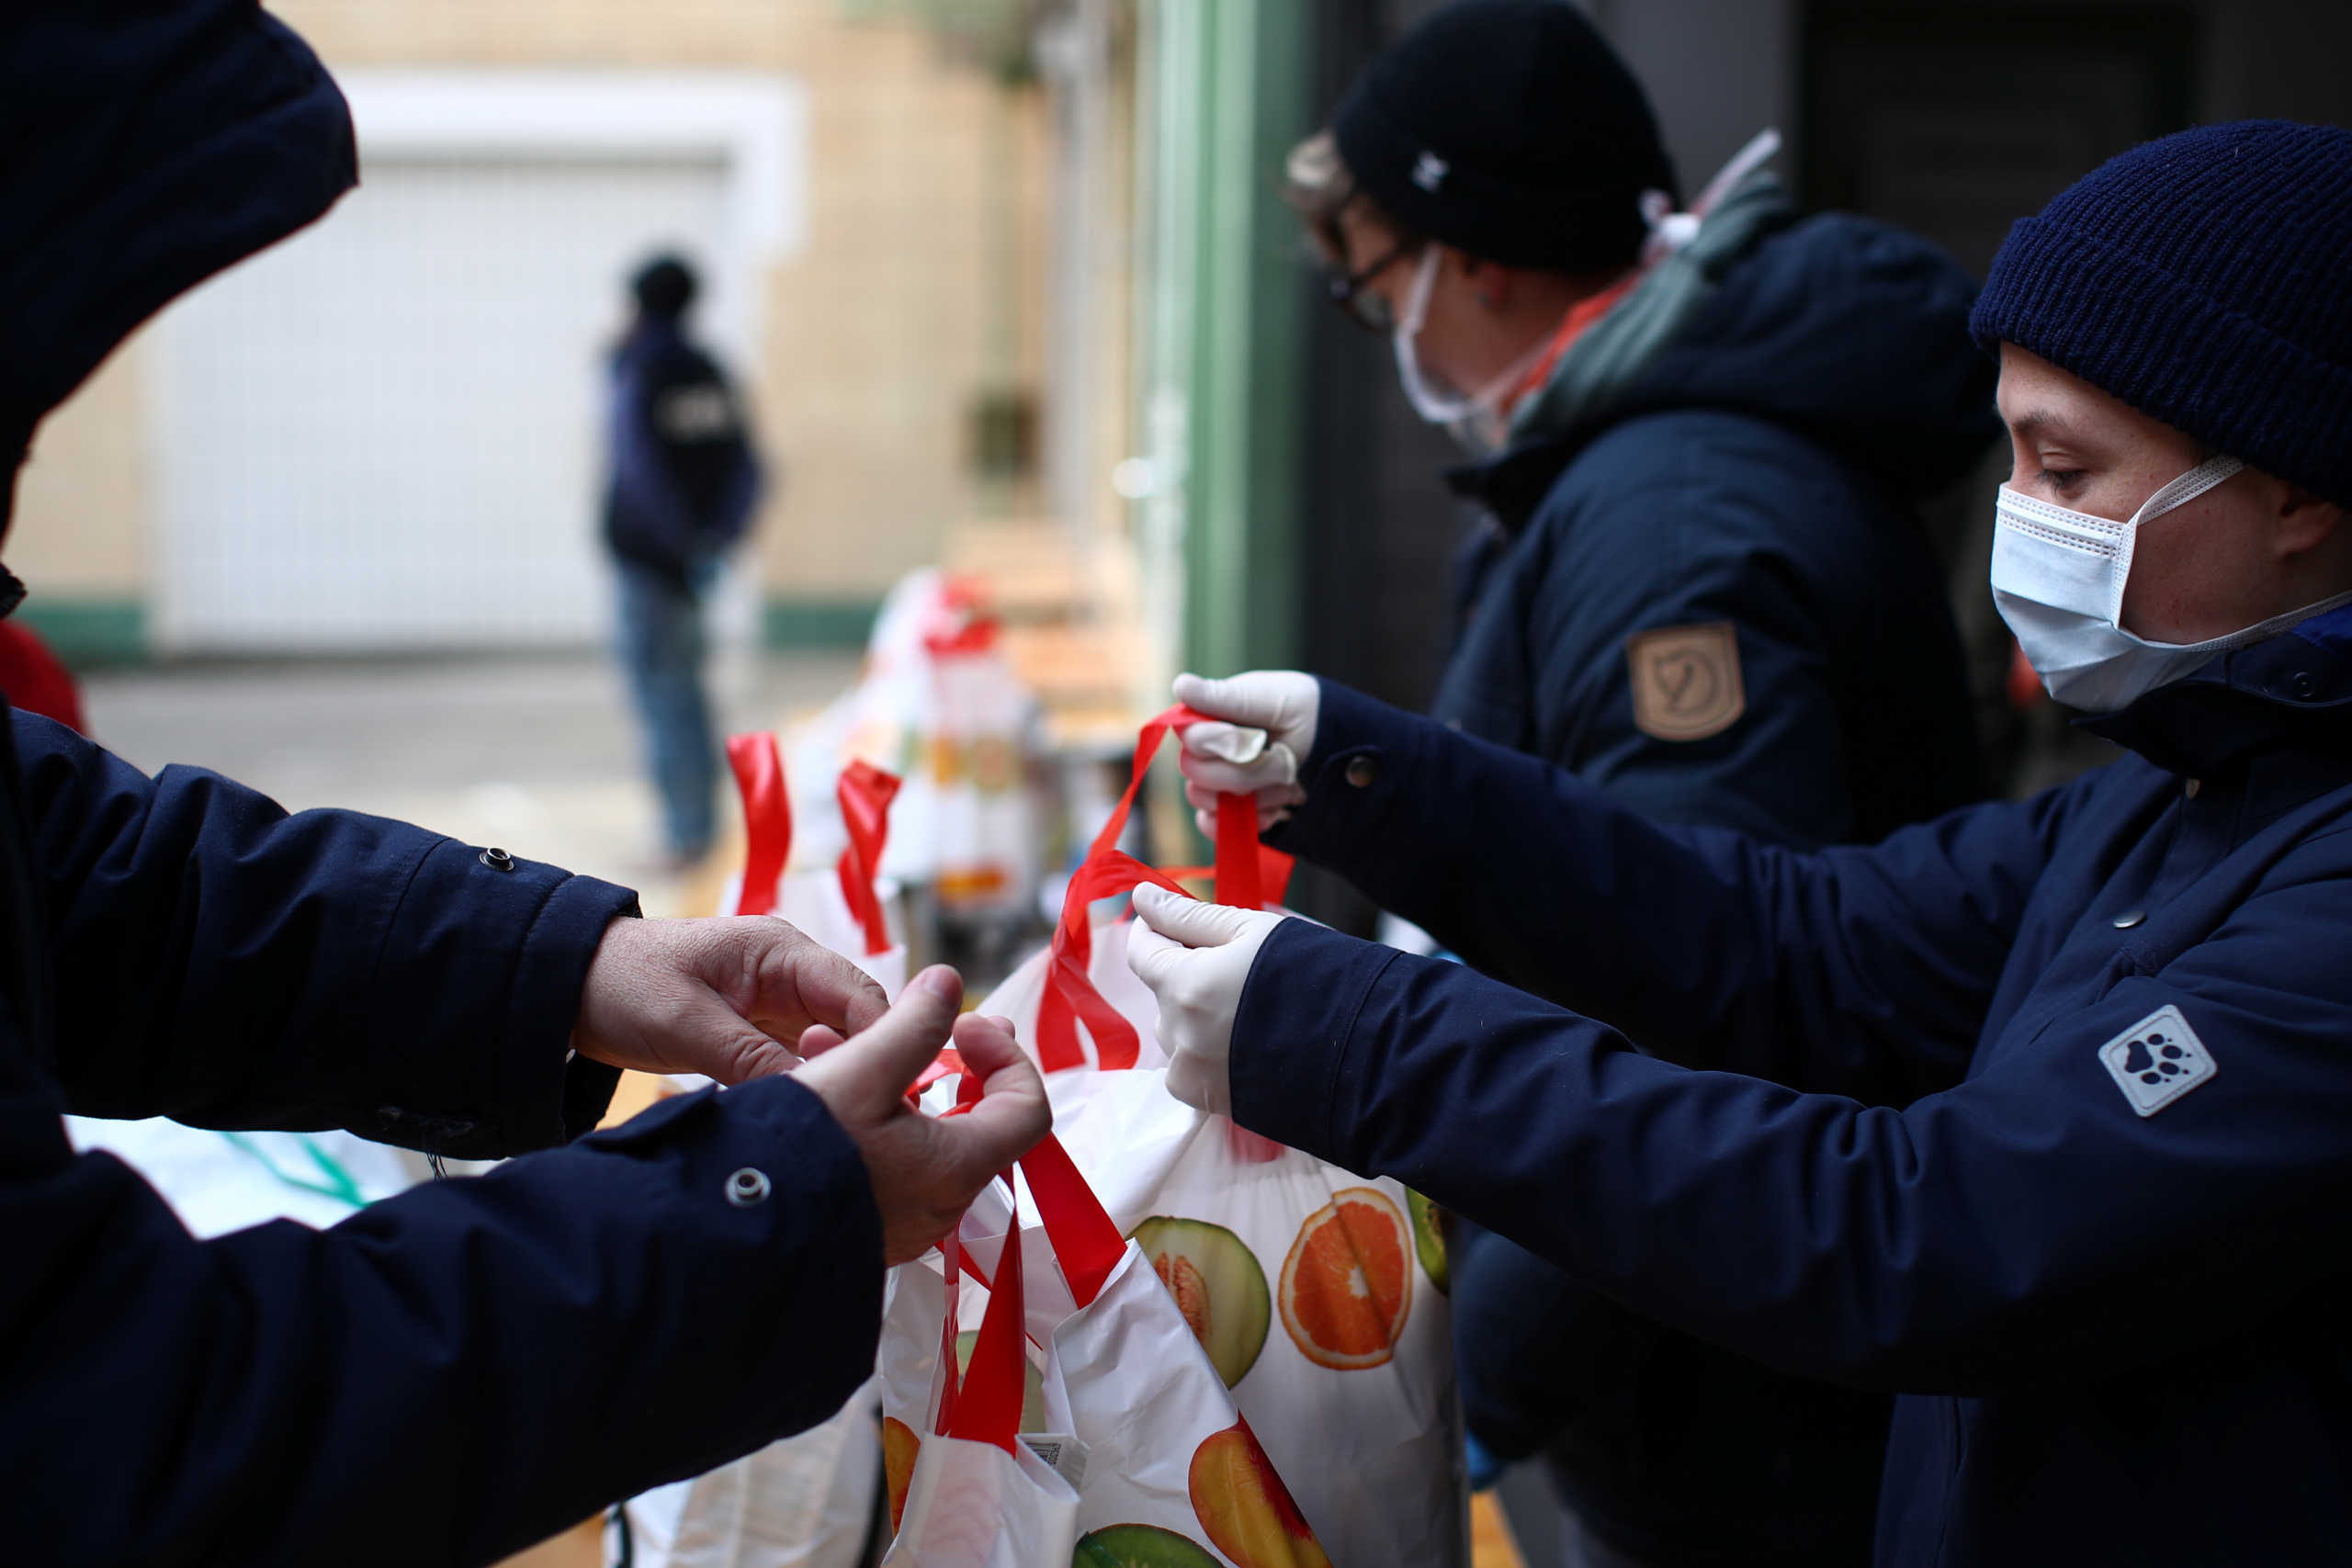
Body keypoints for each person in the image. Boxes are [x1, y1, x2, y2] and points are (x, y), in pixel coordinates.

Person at [1130, 119, 2352, 1567]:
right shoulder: (2190, 778)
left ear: (2295, 492)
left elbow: (1938, 1229)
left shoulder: (2313, 885)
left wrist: (1369, 1044)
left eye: (2070, 471)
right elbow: (1796, 940)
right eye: (2012, 455)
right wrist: (1364, 773)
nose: (2020, 517)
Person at [0, 7, 1047, 1564]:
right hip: (670, 579)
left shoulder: (647, 370)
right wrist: (766, 1213)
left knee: (673, 706)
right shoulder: (677, 370)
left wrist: (564, 959)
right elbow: (118, 1436)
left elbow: (83, 870)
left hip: (657, 580)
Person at [1285, 2, 1995, 1559]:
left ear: (1476, 256)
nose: (1380, 320)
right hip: (1688, 1364)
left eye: (1372, 281)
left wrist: (1462, 1390)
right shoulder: (1623, 464)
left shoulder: (1673, 521)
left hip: (1729, 1420)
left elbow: (1695, 1012)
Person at [605, 253, 763, 870]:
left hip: (651, 565)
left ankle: (685, 836)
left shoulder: (638, 368)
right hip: (694, 562)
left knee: (663, 696)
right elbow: (750, 466)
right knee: (689, 692)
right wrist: (717, 539)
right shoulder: (709, 370)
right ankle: (704, 827)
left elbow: (637, 469)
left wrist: (678, 543)